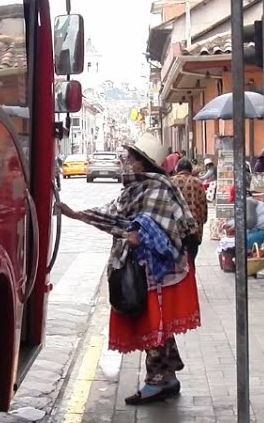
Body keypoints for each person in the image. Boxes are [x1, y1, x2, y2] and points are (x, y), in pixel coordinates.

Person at [58, 133, 200, 405]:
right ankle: (168, 377)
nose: (125, 162)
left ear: (142, 163)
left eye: (130, 158)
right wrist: (78, 214)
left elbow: (173, 225)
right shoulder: (135, 189)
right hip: (141, 267)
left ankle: (156, 381)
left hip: (156, 269)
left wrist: (141, 234)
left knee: (154, 323)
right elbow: (115, 214)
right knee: (157, 324)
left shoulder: (158, 187)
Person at [170, 157, 208, 265]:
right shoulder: (198, 183)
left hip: (174, 230)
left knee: (176, 265)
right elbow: (203, 207)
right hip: (193, 231)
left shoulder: (171, 182)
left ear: (177, 169)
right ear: (190, 170)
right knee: (191, 263)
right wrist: (201, 223)